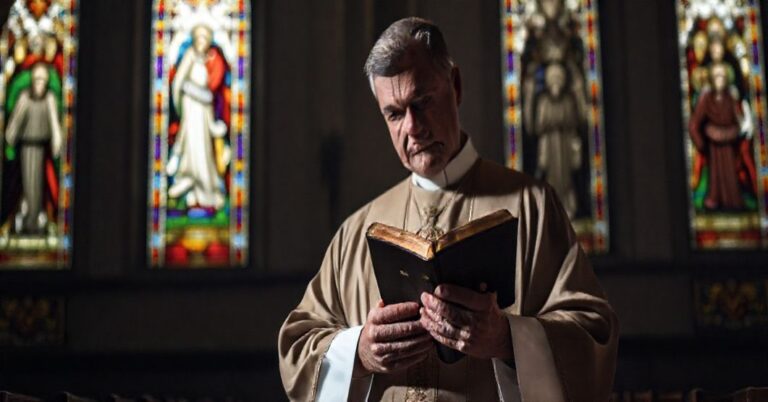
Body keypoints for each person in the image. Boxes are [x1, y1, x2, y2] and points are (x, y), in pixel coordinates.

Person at [279, 17, 618, 401]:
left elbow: (592, 334)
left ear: (455, 86)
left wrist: (506, 339)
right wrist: (359, 351)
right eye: (394, 113)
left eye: (422, 102)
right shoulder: (357, 232)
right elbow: (298, 346)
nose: (413, 127)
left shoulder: (532, 207)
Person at [167, 24, 230, 210]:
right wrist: (183, 105)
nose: (202, 43)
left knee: (204, 153)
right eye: (200, 39)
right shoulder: (189, 57)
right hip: (190, 112)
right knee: (191, 150)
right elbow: (179, 84)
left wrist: (211, 119)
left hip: (203, 115)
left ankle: (206, 194)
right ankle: (189, 190)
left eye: (205, 40)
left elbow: (211, 91)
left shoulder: (206, 62)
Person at [3, 62, 62, 234]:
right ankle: (28, 219)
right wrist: (10, 139)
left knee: (39, 185)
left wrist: (57, 141)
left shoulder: (49, 99)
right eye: (37, 81)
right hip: (26, 148)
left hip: (43, 148)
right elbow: (15, 121)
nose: (40, 85)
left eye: (43, 81)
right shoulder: (24, 98)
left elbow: (54, 123)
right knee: (28, 183)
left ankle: (36, 219)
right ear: (32, 81)